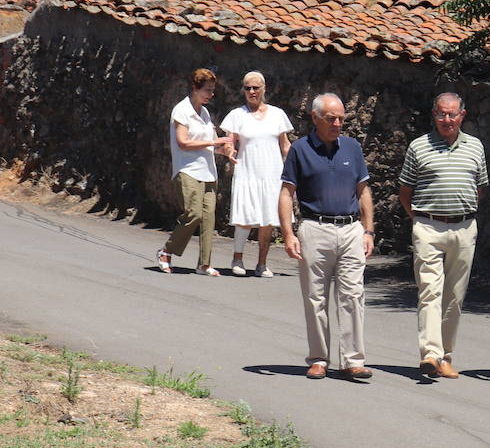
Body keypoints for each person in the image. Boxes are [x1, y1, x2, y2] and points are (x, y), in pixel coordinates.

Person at [278, 93, 374, 382]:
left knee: (353, 296)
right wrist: (288, 233)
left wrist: (368, 231)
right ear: (315, 118)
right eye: (331, 118)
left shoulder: (353, 148)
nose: (337, 123)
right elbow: (286, 193)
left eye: (341, 118)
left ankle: (353, 361)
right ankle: (319, 359)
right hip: (314, 229)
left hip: (350, 230)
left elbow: (364, 191)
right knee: (315, 297)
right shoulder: (300, 150)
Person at [398, 92, 489, 379]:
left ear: (463, 114)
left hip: (464, 228)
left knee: (454, 297)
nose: (447, 119)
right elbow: (405, 191)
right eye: (441, 114)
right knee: (429, 291)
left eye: (452, 114)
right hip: (428, 227)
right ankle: (430, 354)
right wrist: (421, 221)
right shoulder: (418, 147)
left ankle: (446, 356)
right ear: (433, 115)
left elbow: (480, 188)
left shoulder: (475, 147)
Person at [157, 68, 232, 276]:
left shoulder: (205, 113)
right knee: (193, 213)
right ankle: (166, 251)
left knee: (208, 218)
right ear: (195, 88)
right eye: (207, 90)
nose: (211, 94)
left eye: (212, 91)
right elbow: (183, 142)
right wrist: (212, 142)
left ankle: (204, 264)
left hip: (208, 171)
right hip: (187, 169)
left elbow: (210, 145)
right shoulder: (181, 110)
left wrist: (223, 151)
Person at [220, 71, 293, 277]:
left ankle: (262, 263)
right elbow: (229, 142)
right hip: (247, 172)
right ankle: (237, 258)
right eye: (247, 88)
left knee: (268, 220)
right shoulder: (237, 115)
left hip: (271, 174)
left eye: (255, 88)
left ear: (264, 89)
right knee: (244, 217)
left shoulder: (278, 114)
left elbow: (285, 145)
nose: (251, 91)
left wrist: (296, 165)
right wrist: (229, 151)